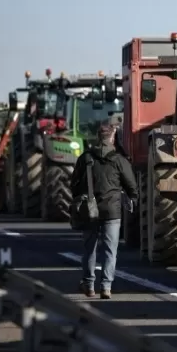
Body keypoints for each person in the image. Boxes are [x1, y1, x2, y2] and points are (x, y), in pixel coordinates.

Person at [71, 122, 137, 299]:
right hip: (112, 211)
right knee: (110, 250)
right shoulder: (119, 160)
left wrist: (81, 198)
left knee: (89, 249)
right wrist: (131, 198)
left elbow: (74, 184)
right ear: (112, 136)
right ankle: (106, 287)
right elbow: (132, 186)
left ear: (97, 137)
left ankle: (89, 285)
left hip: (89, 209)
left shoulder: (85, 158)